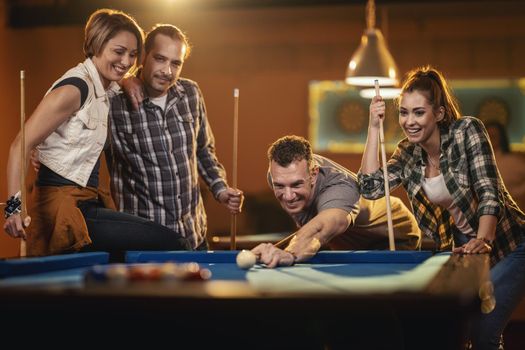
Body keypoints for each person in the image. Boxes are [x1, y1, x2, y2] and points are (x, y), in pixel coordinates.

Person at [359, 66, 525, 350]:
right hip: (462, 246)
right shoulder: (408, 153)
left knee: (484, 331)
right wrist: (373, 128)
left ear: (439, 113)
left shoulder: (467, 131)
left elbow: (489, 191)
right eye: (403, 112)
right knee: (463, 332)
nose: (409, 121)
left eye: (419, 112)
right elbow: (370, 188)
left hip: (510, 244)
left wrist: (482, 240)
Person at [3, 9, 191, 257]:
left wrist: (127, 80)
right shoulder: (75, 88)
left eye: (133, 55)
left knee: (118, 265)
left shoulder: (104, 85)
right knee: (175, 243)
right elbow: (20, 145)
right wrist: (13, 209)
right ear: (97, 45)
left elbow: (118, 81)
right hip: (61, 207)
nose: (126, 62)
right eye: (118, 51)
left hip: (87, 203)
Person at [107, 24, 243, 250]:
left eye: (176, 63)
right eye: (160, 59)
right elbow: (94, 74)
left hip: (194, 236)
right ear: (143, 56)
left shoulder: (191, 93)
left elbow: (203, 150)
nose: (167, 71)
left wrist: (220, 189)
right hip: (145, 243)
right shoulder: (113, 102)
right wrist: (123, 79)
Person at [251, 135, 421, 268]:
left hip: (392, 235)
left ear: (313, 174)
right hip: (346, 241)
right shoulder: (281, 175)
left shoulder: (341, 187)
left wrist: (289, 253)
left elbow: (322, 227)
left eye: (296, 185)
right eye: (279, 186)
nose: (287, 196)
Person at [485, 121, 525, 210]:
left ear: (501, 137)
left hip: (513, 210)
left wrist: (514, 194)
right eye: (489, 135)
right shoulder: (479, 161)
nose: (491, 138)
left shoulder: (514, 160)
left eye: (494, 136)